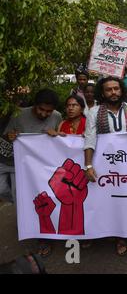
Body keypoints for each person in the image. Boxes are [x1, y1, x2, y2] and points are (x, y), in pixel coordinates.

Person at [84, 76, 127, 256]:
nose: (113, 92)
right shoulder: (94, 111)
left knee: (123, 200)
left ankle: (121, 236)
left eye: (116, 89)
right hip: (104, 165)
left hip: (126, 166)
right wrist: (88, 165)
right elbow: (90, 138)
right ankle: (99, 232)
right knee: (102, 201)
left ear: (121, 90)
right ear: (103, 92)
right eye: (109, 89)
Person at [4, 89, 62, 257]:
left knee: (36, 198)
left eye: (48, 111)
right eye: (41, 109)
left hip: (44, 167)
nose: (44, 114)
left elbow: (62, 137)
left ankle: (41, 235)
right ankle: (25, 215)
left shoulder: (57, 116)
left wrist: (56, 135)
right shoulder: (19, 114)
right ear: (34, 105)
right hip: (21, 164)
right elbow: (7, 135)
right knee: (7, 192)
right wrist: (11, 136)